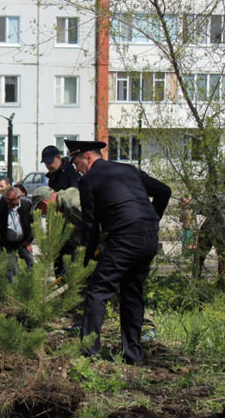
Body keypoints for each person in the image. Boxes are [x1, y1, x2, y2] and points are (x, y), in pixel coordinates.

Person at [66, 139, 171, 365]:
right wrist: (152, 219)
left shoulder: (89, 180)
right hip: (149, 238)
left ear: (88, 157)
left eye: (76, 162)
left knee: (97, 291)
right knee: (132, 292)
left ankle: (89, 353)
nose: (76, 168)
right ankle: (134, 355)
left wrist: (87, 258)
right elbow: (164, 191)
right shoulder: (128, 169)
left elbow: (91, 225)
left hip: (125, 238)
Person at [31, 185, 83, 276]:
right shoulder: (61, 207)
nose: (43, 213)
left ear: (44, 204)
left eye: (40, 210)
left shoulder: (71, 205)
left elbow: (96, 226)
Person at [0, 186, 34, 281]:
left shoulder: (27, 204)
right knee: (10, 267)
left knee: (30, 262)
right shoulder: (2, 205)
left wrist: (28, 241)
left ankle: (29, 283)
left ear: (18, 197)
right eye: (7, 199)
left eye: (11, 200)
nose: (8, 202)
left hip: (23, 242)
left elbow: (34, 224)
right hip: (7, 243)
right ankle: (11, 288)